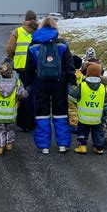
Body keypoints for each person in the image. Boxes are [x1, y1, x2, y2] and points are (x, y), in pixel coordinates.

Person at [25, 16, 76, 154]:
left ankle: (44, 146)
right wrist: (72, 82)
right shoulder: (62, 44)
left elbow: (29, 68)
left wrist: (28, 84)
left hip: (40, 83)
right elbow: (69, 66)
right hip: (59, 83)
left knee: (42, 113)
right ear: (55, 28)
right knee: (60, 112)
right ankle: (63, 144)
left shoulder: (34, 45)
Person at [6, 10, 38, 131]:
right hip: (36, 68)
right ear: (35, 19)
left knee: (22, 94)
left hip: (21, 68)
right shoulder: (38, 32)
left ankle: (23, 123)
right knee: (35, 94)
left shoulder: (18, 31)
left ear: (26, 18)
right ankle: (33, 121)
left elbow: (9, 48)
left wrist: (12, 58)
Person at [69, 63, 107, 155]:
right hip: (97, 118)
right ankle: (98, 148)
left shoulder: (83, 86)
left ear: (88, 73)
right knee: (98, 132)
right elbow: (105, 102)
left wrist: (70, 89)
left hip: (83, 118)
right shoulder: (103, 88)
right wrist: (106, 114)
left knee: (82, 131)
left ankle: (82, 146)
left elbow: (74, 95)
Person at [0, 58, 28, 155]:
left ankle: (0, 146)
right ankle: (9, 144)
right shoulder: (16, 83)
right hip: (11, 114)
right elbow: (23, 94)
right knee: (10, 129)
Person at [68, 55, 83, 133]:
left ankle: (74, 126)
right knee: (79, 110)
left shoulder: (70, 73)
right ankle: (80, 124)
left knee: (72, 111)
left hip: (71, 96)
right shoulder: (82, 75)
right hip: (80, 96)